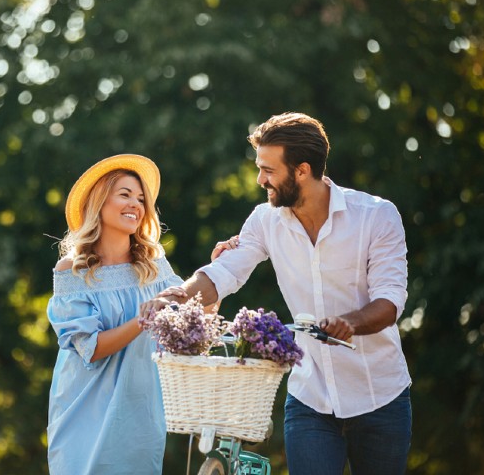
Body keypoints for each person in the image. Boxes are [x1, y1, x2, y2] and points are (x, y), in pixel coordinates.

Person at [166, 112, 412, 475]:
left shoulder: (376, 217)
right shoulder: (265, 220)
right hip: (310, 397)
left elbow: (390, 302)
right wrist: (177, 298)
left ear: (302, 170)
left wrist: (349, 323)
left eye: (269, 170)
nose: (259, 180)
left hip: (380, 397)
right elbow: (223, 273)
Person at [46, 154, 183, 474]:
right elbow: (89, 348)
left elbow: (188, 307)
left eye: (141, 199)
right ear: (100, 201)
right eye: (124, 194)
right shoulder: (72, 270)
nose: (135, 204)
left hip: (141, 414)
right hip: (85, 412)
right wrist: (142, 320)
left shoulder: (153, 263)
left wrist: (217, 269)